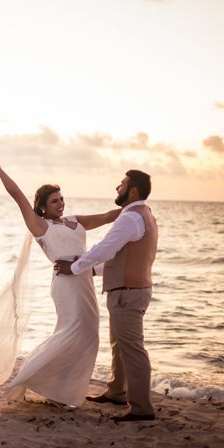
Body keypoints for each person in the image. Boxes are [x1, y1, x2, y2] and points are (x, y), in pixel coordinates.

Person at [0, 155, 120, 407]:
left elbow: (109, 216)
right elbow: (16, 194)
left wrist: (136, 209)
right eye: (54, 201)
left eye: (62, 199)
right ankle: (31, 378)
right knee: (72, 331)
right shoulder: (40, 226)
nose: (60, 203)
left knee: (89, 335)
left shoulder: (76, 221)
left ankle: (62, 390)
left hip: (84, 282)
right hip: (65, 285)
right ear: (43, 206)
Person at [54, 170, 158, 422]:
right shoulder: (145, 214)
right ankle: (117, 391)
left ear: (132, 191)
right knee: (119, 344)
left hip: (128, 293)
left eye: (121, 185)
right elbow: (119, 256)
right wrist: (90, 270)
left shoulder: (130, 217)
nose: (117, 188)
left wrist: (76, 267)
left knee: (132, 348)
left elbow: (106, 248)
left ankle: (142, 407)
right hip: (130, 290)